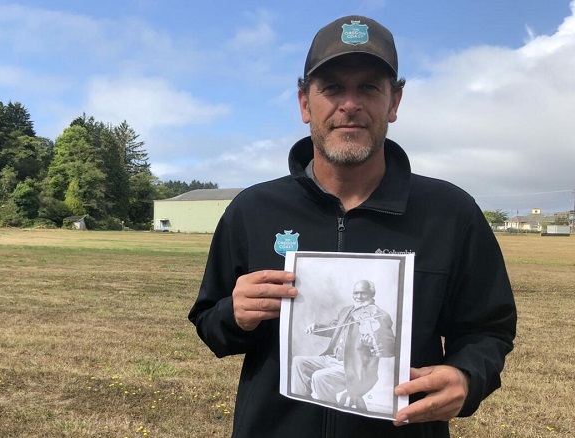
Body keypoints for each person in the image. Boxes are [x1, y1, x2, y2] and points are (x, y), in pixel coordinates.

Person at [188, 15, 516, 437]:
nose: (349, 104)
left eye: (368, 88)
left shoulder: (451, 213)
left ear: (394, 102)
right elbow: (210, 324)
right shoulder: (253, 210)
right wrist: (234, 314)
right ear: (305, 103)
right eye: (332, 88)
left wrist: (468, 377)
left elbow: (488, 328)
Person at [292, 280, 395, 411]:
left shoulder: (379, 315)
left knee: (319, 377)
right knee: (298, 362)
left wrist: (374, 344)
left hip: (353, 366)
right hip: (331, 359)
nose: (358, 297)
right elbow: (334, 327)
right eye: (355, 293)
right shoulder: (347, 310)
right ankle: (301, 405)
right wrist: (316, 327)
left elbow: (391, 346)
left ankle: (329, 412)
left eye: (362, 293)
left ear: (372, 294)